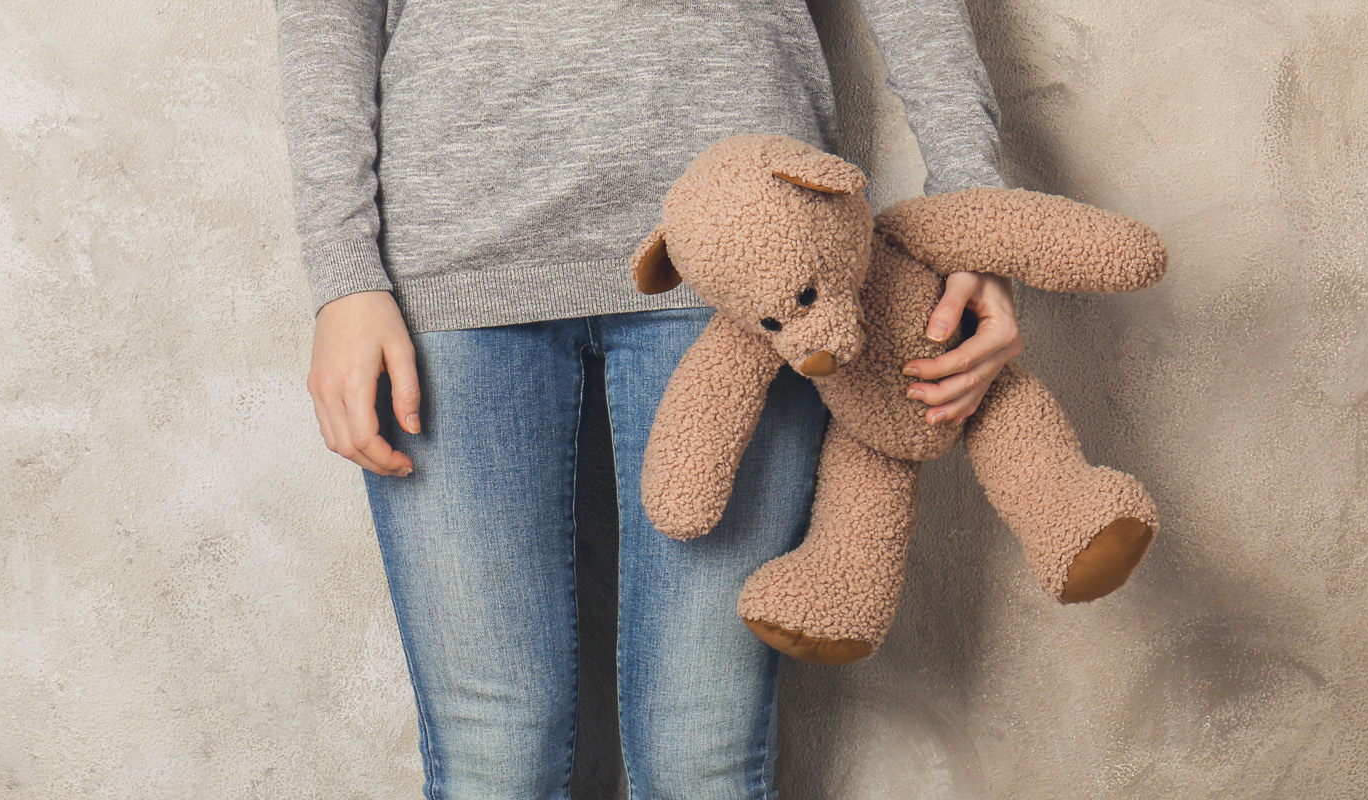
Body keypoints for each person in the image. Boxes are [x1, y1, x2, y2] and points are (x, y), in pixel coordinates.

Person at [273, 2, 1024, 797]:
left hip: (749, 251)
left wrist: (975, 208)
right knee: (496, 756)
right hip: (452, 262)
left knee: (702, 757)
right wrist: (343, 274)